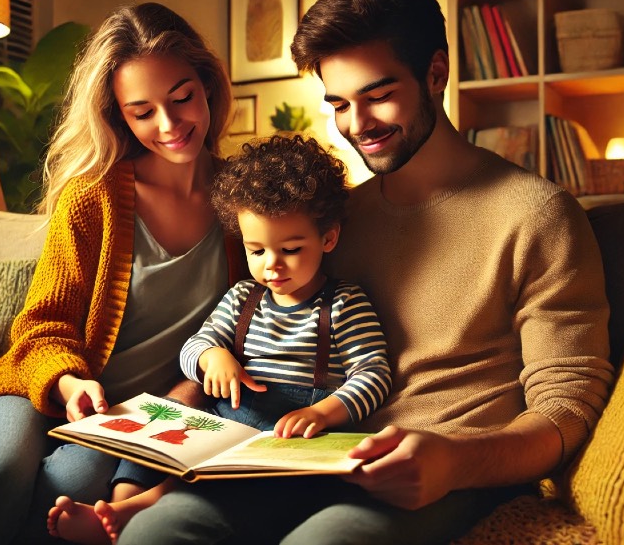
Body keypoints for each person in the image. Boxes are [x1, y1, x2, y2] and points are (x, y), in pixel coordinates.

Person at [119, 0, 614, 545]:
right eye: (339, 104)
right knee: (157, 531)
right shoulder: (332, 220)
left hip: (440, 476)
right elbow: (254, 329)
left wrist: (457, 461)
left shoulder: (537, 215)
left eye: (378, 96)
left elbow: (568, 409)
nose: (358, 126)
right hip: (302, 461)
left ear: (435, 73)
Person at [0, 2, 249, 545]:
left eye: (182, 98)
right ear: (117, 116)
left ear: (208, 87)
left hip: (130, 419)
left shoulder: (243, 201)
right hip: (36, 386)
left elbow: (258, 317)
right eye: (142, 111)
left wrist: (190, 389)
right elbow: (41, 325)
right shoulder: (94, 197)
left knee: (71, 485)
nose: (170, 125)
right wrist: (68, 378)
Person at [48, 133, 392, 544]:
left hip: (287, 434)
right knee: (158, 428)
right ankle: (122, 503)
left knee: (220, 473)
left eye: (292, 249)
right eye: (257, 250)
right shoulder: (244, 296)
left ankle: (130, 514)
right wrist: (213, 357)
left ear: (328, 238)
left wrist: (326, 413)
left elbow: (373, 372)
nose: (273, 266)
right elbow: (194, 345)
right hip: (227, 417)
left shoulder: (343, 303)